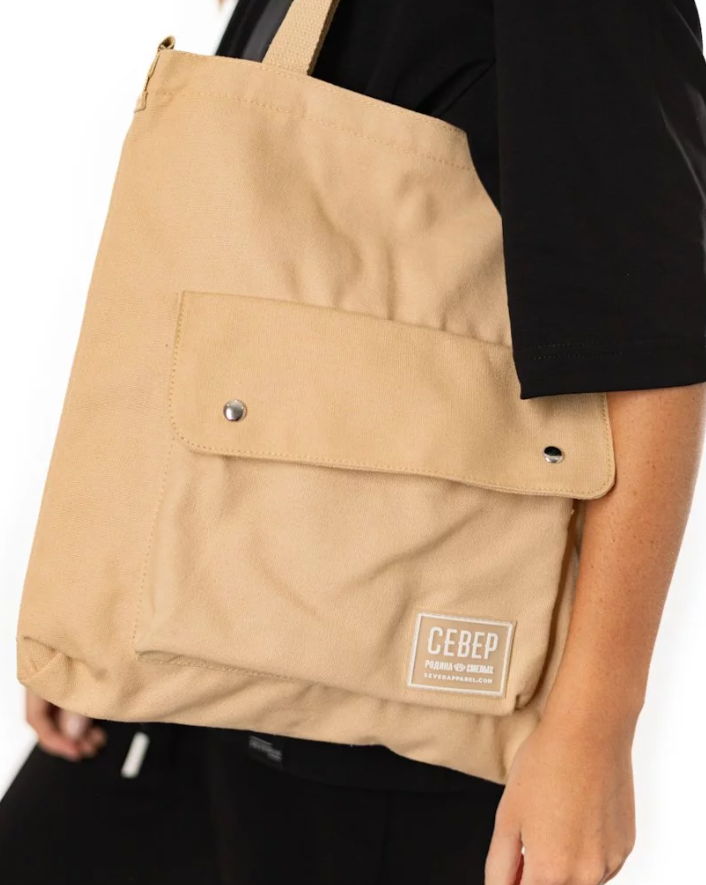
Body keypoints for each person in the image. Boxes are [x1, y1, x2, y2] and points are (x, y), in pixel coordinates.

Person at [3, 2, 706, 883]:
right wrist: (99, 601)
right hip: (193, 657)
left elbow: (656, 342)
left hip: (390, 747)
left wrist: (594, 729)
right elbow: (226, 281)